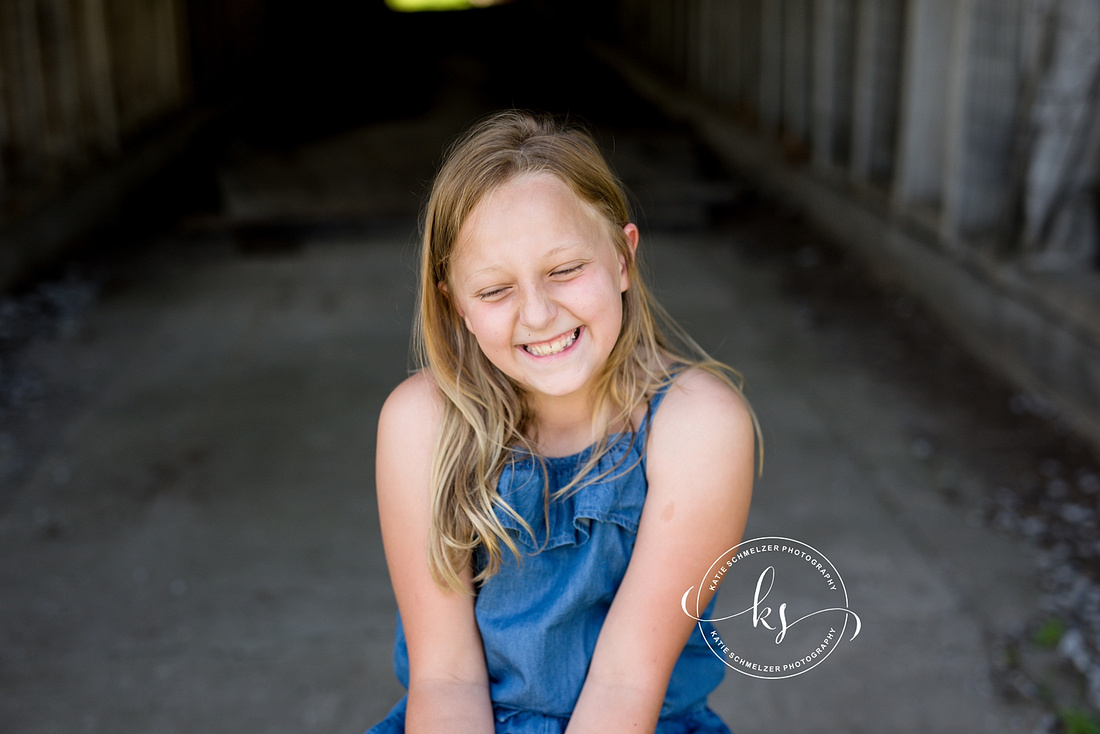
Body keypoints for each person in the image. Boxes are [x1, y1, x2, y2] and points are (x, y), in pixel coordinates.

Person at [369, 110, 757, 734]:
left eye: (565, 270)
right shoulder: (421, 424)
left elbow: (625, 684)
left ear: (623, 258)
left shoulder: (696, 426)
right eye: (494, 290)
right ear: (455, 304)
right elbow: (446, 679)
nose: (540, 313)